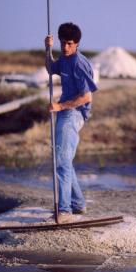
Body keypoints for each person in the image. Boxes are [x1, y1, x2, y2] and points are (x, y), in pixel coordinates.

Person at [45, 22, 97, 223]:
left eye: (69, 44)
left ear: (76, 44)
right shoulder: (64, 59)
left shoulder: (78, 63)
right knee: (64, 161)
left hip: (73, 114)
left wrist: (60, 106)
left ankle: (65, 211)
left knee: (61, 162)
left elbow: (86, 97)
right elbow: (50, 68)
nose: (65, 47)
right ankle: (78, 204)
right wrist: (47, 49)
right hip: (65, 112)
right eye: (62, 43)